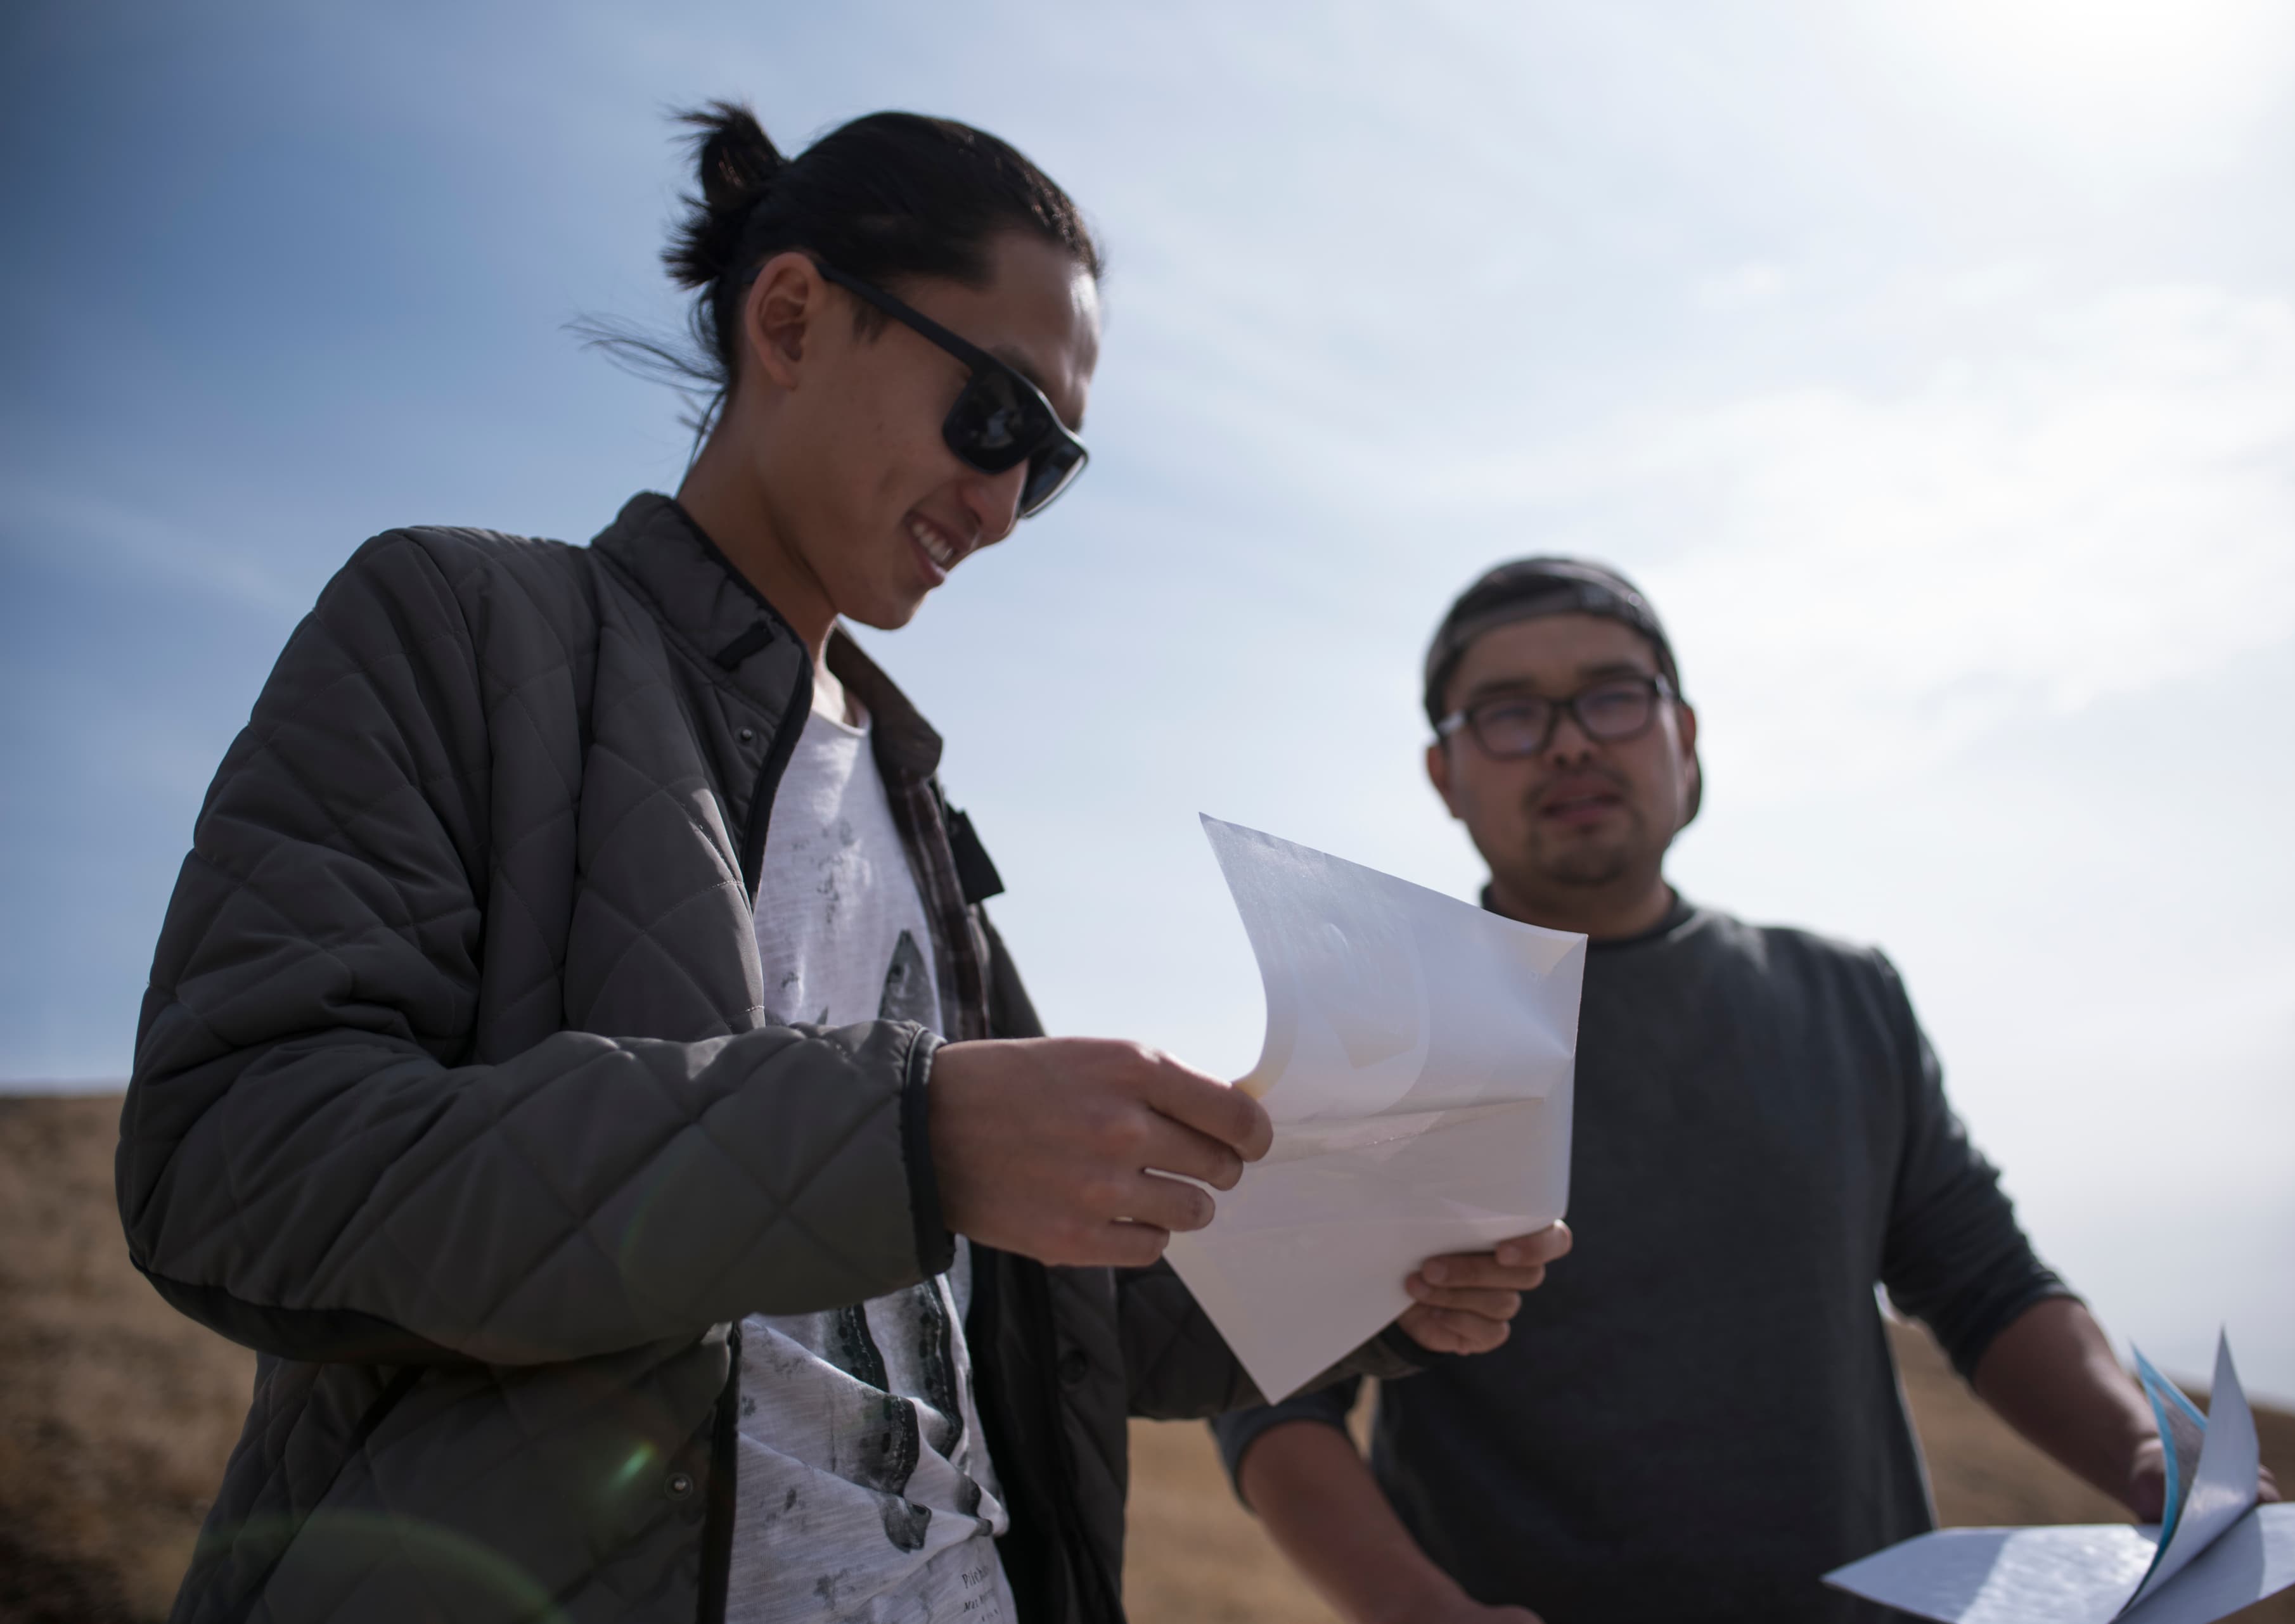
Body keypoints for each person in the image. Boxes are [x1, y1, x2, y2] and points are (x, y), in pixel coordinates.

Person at [117, 106, 1567, 1624]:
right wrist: (903, 1139)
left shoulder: (919, 808)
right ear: (795, 318)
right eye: (996, 418)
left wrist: (1374, 1282)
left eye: (1051, 468)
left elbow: (1043, 1320)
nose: (1005, 507)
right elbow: (237, 1165)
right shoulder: (463, 629)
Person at [1212, 558, 2273, 1624]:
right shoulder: (1378, 1038)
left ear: (1685, 737)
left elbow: (1983, 1278)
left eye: (1614, 695)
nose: (1572, 739)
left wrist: (2138, 1445)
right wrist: (1415, 1611)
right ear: (1444, 774)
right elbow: (1270, 1395)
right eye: (1509, 714)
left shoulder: (1845, 995)